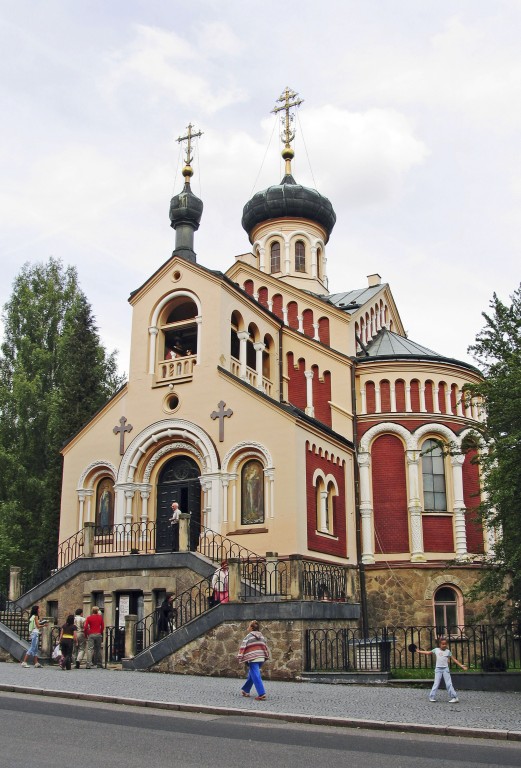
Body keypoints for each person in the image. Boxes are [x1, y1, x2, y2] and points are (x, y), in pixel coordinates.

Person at [417, 636, 467, 703]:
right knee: (436, 683)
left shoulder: (448, 651)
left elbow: (454, 659)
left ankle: (454, 697)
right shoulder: (436, 650)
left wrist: (461, 665)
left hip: (445, 669)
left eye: (445, 644)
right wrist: (419, 651)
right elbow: (428, 652)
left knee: (449, 684)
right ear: (439, 644)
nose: (444, 645)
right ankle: (431, 697)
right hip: (438, 669)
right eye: (443, 644)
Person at [237, 620, 270, 701]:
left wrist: (240, 656)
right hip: (261, 657)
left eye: (249, 626)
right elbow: (264, 646)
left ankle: (261, 693)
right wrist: (266, 655)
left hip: (253, 658)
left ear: (252, 628)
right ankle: (246, 690)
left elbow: (243, 647)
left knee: (256, 675)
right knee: (253, 674)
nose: (248, 628)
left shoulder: (248, 636)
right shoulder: (262, 636)